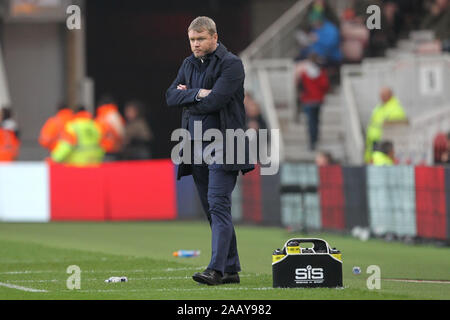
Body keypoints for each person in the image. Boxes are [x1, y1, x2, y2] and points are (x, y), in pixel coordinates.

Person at [166, 16, 254, 286]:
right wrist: (199, 93)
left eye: (201, 39)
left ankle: (215, 270)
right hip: (195, 147)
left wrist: (190, 96)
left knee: (218, 206)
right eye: (192, 39)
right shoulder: (188, 63)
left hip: (225, 145)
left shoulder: (232, 64)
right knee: (212, 210)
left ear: (215, 37)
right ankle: (230, 270)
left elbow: (216, 100)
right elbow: (170, 96)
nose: (196, 44)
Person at [365, 87, 407, 163]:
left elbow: (399, 126)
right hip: (374, 142)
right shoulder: (378, 108)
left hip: (385, 144)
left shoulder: (396, 108)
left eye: (383, 95)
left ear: (390, 95)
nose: (381, 97)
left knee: (383, 164)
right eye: (381, 95)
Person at [297, 53, 329, 151]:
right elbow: (325, 85)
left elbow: (300, 86)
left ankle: (312, 141)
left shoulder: (304, 73)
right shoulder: (320, 72)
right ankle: (315, 139)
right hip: (317, 99)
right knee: (316, 120)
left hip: (308, 100)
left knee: (311, 121)